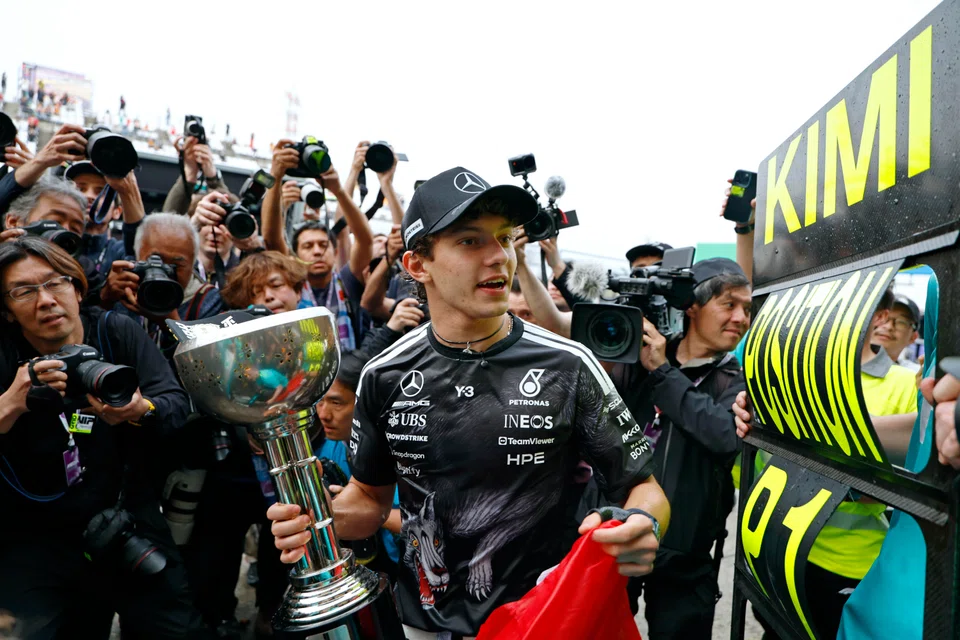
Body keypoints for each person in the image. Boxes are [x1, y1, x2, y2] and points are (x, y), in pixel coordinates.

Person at [267, 166, 669, 639]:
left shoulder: (570, 364)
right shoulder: (383, 374)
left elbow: (644, 489)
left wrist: (644, 524)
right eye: (470, 241)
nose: (498, 257)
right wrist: (320, 520)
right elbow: (371, 501)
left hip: (543, 617)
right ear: (418, 265)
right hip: (424, 624)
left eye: (503, 239)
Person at [0, 237, 208, 639]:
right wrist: (11, 403)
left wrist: (138, 411)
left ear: (77, 289)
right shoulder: (6, 354)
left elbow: (175, 403)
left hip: (125, 514)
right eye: (24, 291)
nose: (45, 300)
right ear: (8, 312)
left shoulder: (115, 330)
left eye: (55, 283)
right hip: (35, 533)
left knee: (177, 630)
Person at [732, 287, 918, 640]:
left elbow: (915, 488)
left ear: (877, 315)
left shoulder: (906, 385)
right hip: (774, 555)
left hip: (852, 567)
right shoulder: (787, 377)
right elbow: (752, 471)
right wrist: (745, 424)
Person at [605, 257, 749, 639]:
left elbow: (723, 436)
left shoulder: (738, 376)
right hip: (620, 532)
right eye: (729, 304)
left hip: (689, 551)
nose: (741, 317)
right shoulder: (636, 358)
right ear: (692, 308)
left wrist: (662, 372)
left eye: (747, 309)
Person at [261, 142, 374, 350]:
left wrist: (338, 190)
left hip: (347, 375)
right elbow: (270, 238)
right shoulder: (291, 284)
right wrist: (275, 177)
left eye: (323, 244)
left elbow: (365, 240)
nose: (316, 251)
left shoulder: (347, 282)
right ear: (294, 255)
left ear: (335, 250)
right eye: (307, 246)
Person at [100, 213, 224, 359]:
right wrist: (105, 298)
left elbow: (202, 366)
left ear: (193, 265)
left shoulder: (209, 300)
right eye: (155, 261)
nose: (164, 272)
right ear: (137, 257)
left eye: (175, 265)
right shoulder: (124, 284)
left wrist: (171, 325)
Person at [873, 294, 921, 372]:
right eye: (881, 316)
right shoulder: (846, 364)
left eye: (901, 322)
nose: (888, 326)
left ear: (913, 337)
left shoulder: (914, 376)